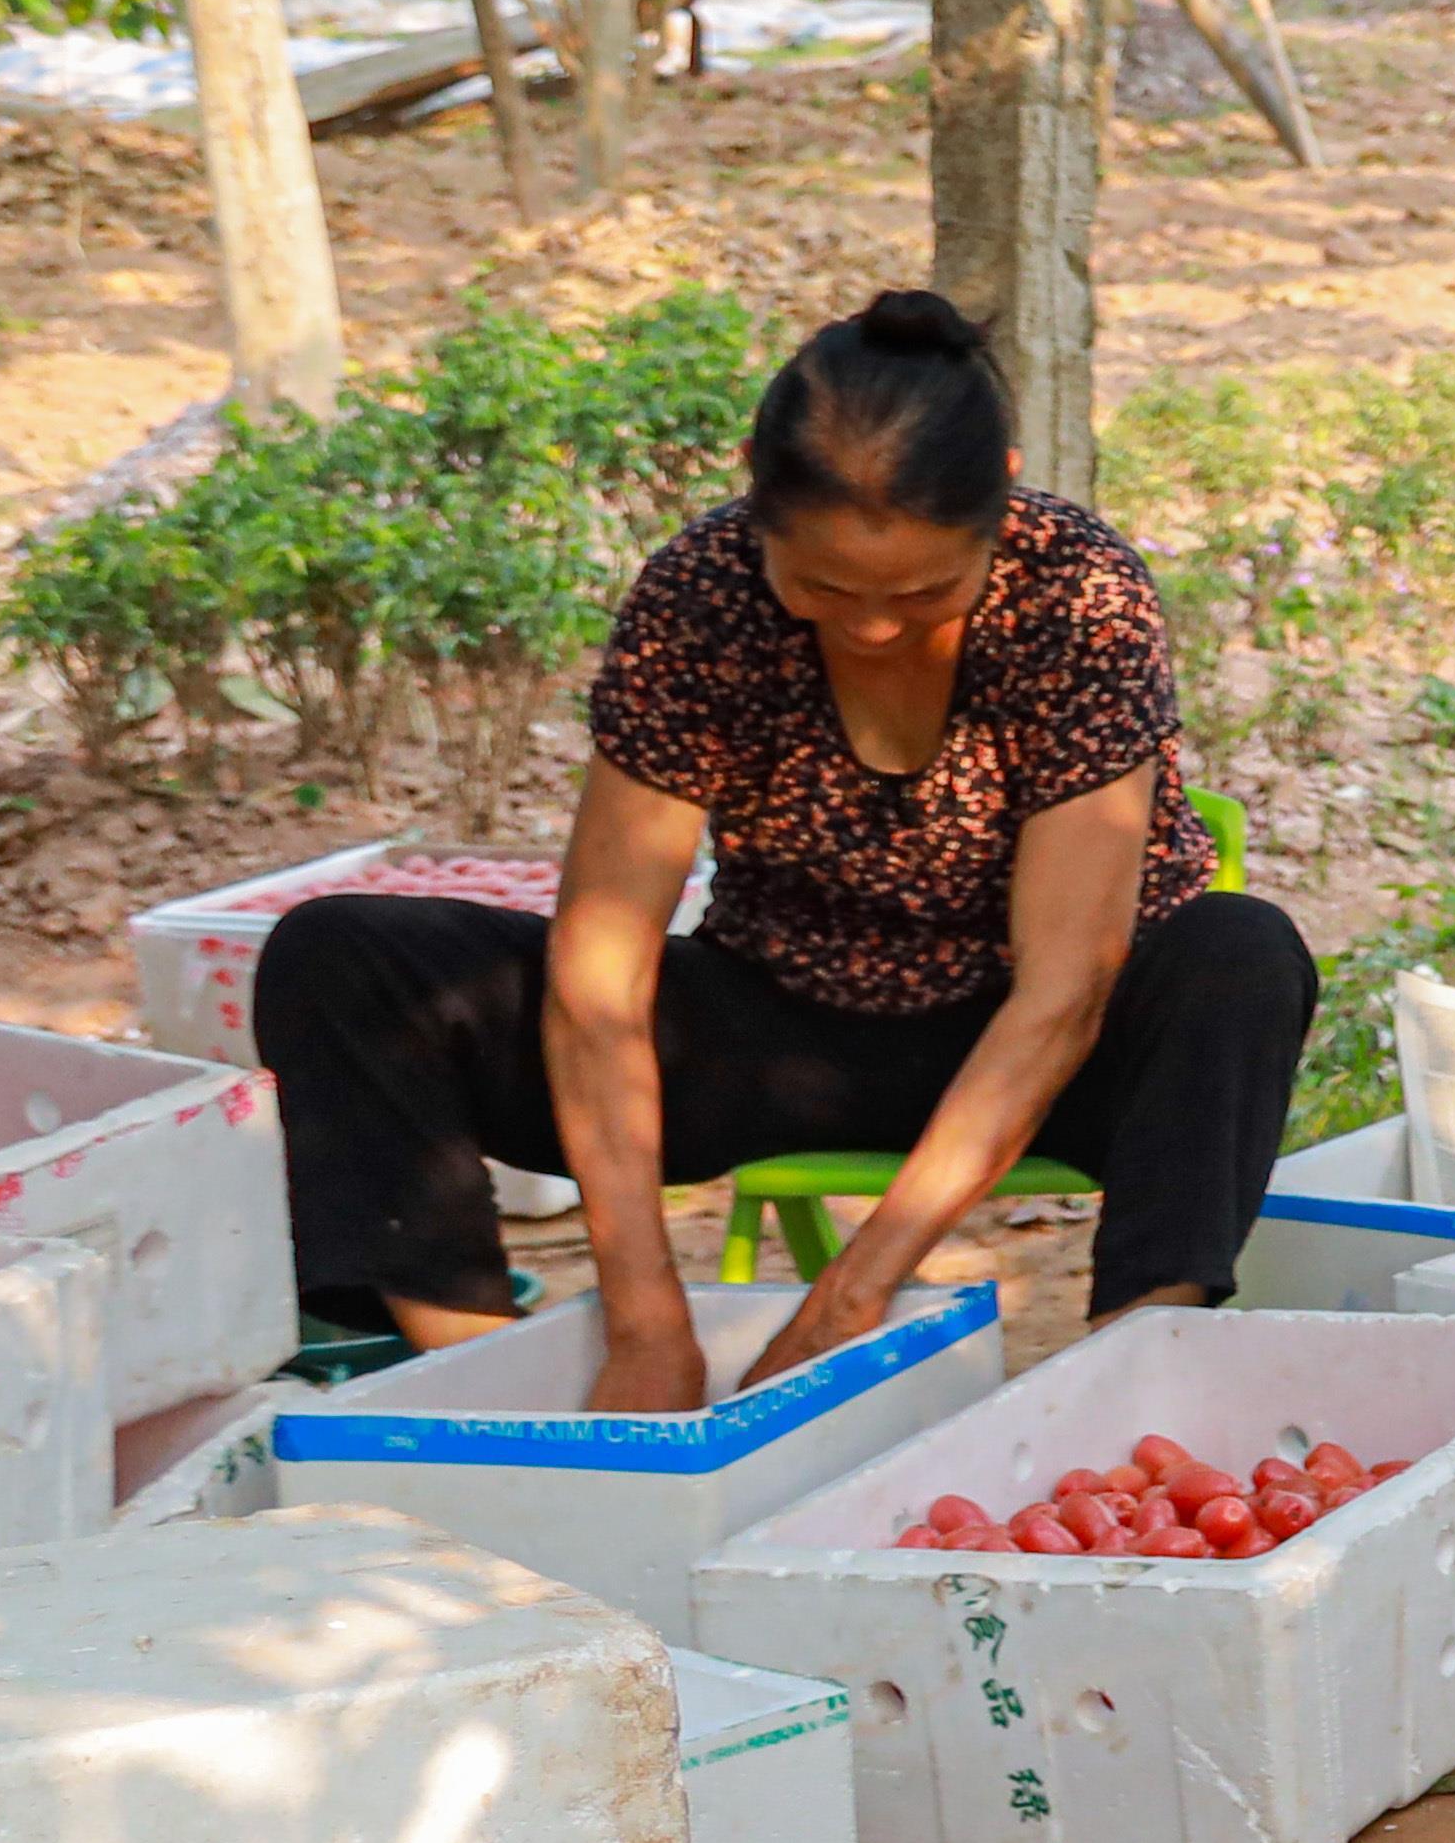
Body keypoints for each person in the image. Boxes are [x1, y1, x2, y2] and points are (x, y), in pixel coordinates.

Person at [259, 290, 1316, 1413]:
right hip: (784, 1033)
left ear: (1001, 498)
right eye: (819, 588)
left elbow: (1066, 988)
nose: (867, 628)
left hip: (1051, 1054)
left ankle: (1125, 1389)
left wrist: (844, 1309)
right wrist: (646, 1323)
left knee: (1237, 955)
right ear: (755, 500)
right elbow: (600, 976)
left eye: (920, 593)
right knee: (343, 957)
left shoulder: (1078, 595)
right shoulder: (700, 595)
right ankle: (478, 1388)